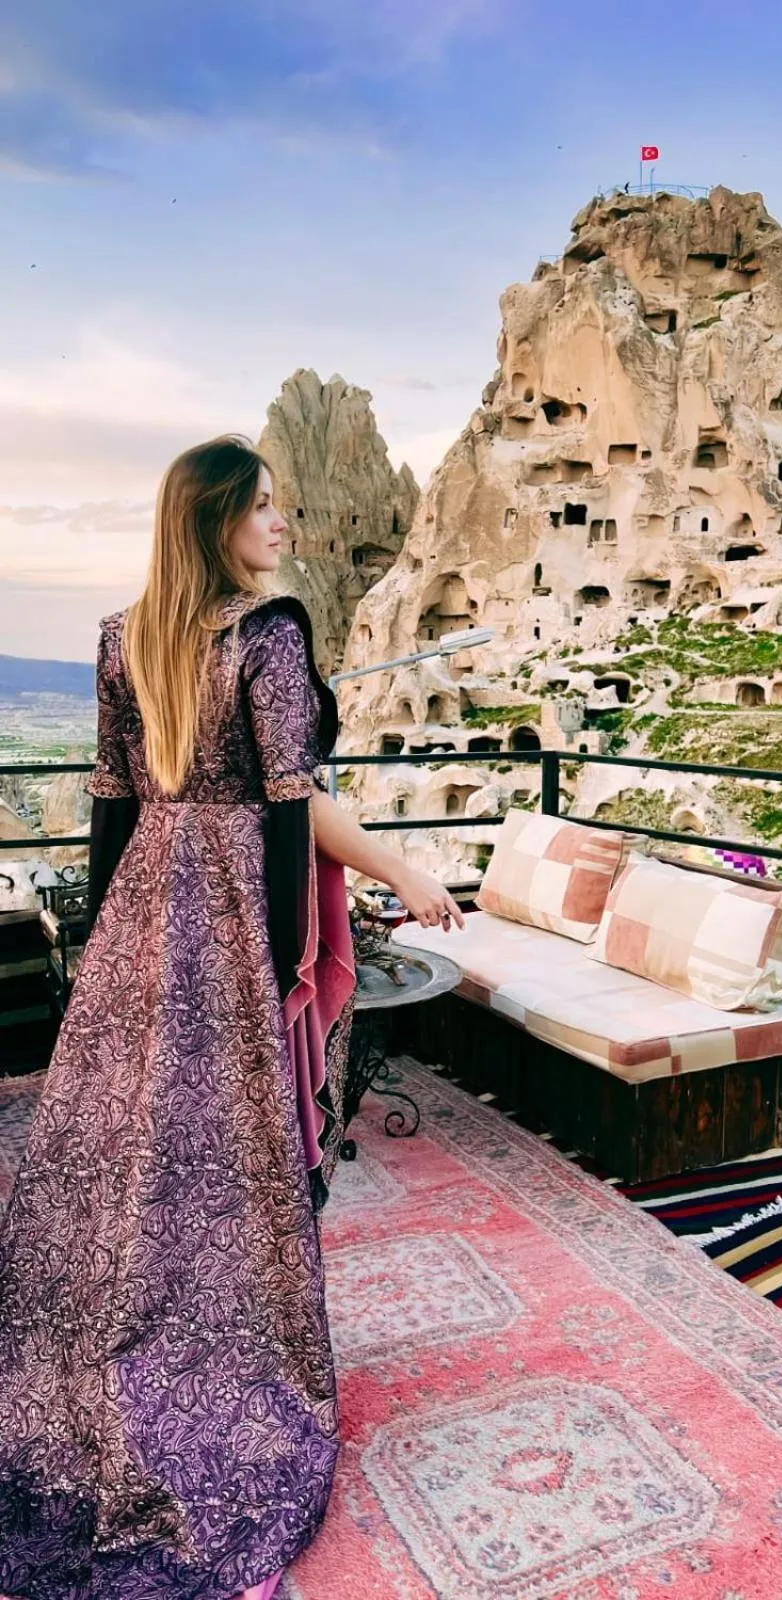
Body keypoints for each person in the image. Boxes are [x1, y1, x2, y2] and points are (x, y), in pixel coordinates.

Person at [0, 434, 463, 1600]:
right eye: (263, 509)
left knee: (123, 1160)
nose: (284, 524)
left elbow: (112, 805)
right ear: (213, 522)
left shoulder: (120, 637)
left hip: (141, 917)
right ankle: (214, 1368)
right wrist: (403, 876)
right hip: (221, 918)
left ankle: (105, 1367)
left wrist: (100, 957)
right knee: (229, 1161)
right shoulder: (266, 634)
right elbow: (295, 800)